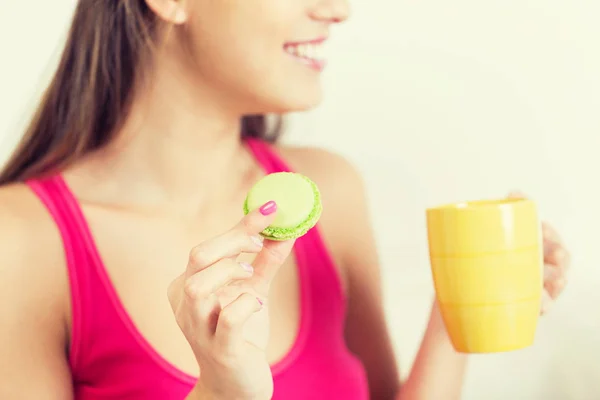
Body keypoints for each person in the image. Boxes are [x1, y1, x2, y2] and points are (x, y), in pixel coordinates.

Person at [0, 0, 571, 399]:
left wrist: (459, 312)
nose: (339, 8)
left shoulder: (334, 191)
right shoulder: (22, 240)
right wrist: (221, 393)